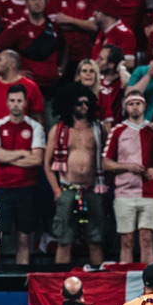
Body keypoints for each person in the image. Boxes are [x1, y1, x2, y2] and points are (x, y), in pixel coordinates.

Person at [45, 86, 106, 268]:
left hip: (93, 189)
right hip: (66, 187)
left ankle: (100, 284)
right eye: (79, 103)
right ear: (70, 105)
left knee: (96, 239)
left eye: (87, 102)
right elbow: (47, 164)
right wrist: (56, 189)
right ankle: (60, 284)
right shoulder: (58, 130)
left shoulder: (98, 129)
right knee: (64, 240)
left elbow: (107, 159)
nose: (84, 106)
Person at [103, 93, 153, 264]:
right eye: (131, 104)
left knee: (147, 239)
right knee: (126, 240)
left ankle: (149, 281)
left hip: (149, 193)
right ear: (126, 107)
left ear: (144, 106)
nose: (135, 107)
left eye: (138, 103)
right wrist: (127, 167)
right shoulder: (117, 131)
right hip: (124, 193)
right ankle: (127, 279)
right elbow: (106, 163)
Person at [0, 84, 44, 266]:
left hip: (26, 188)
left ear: (25, 103)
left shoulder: (35, 127)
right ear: (7, 102)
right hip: (2, 187)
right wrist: (23, 153)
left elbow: (36, 160)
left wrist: (7, 156)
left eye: (19, 101)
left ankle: (21, 278)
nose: (16, 104)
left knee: (24, 237)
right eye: (12, 100)